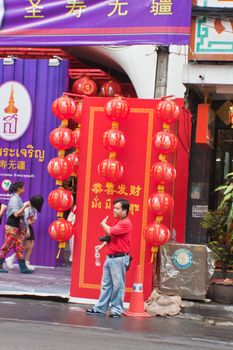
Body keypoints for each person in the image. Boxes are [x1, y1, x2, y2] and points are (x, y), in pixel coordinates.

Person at [86, 198, 132, 318]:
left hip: (118, 259)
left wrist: (103, 224)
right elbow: (112, 237)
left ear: (125, 211)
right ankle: (100, 308)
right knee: (106, 284)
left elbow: (110, 231)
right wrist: (102, 245)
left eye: (117, 208)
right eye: (114, 208)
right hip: (111, 257)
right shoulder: (119, 221)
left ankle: (117, 310)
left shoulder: (125, 223)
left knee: (118, 285)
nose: (114, 210)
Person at [0, 181, 32, 274]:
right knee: (7, 246)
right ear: (19, 189)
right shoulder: (14, 199)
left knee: (19, 247)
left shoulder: (17, 198)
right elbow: (16, 214)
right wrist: (25, 206)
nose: (24, 189)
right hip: (12, 227)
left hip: (16, 226)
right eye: (23, 188)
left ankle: (23, 267)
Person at [5, 195, 44, 271]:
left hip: (28, 226)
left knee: (31, 244)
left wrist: (32, 221)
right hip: (23, 226)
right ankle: (11, 258)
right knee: (26, 245)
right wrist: (26, 229)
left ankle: (26, 262)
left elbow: (33, 218)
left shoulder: (34, 208)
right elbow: (23, 220)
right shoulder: (26, 206)